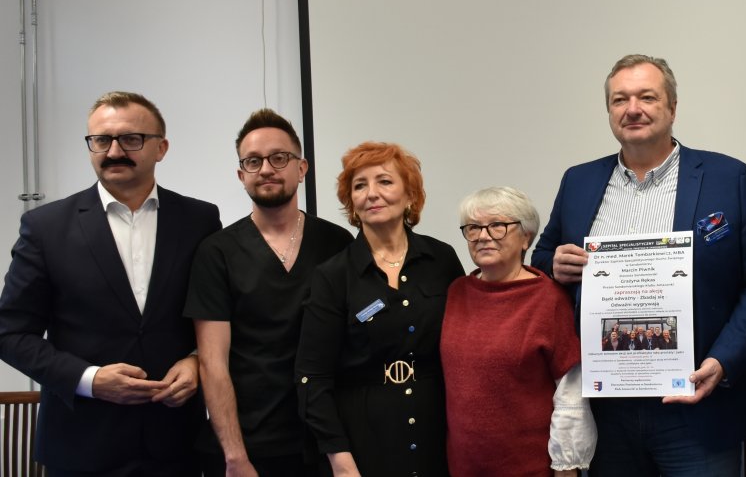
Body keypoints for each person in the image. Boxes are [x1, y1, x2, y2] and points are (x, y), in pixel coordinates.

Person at [533, 54, 746, 476]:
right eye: (619, 99)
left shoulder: (729, 178)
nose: (633, 109)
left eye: (647, 97)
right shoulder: (579, 181)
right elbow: (541, 259)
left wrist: (724, 361)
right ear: (609, 111)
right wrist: (553, 263)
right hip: (607, 411)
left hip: (698, 407)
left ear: (672, 108)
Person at [0, 91, 222, 475]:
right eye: (101, 140)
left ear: (161, 148)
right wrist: (90, 379)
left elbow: (216, 315)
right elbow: (10, 333)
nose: (114, 150)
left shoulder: (199, 220)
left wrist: (196, 362)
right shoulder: (46, 228)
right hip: (81, 446)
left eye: (131, 139)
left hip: (177, 445)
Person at [184, 109, 353, 476]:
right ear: (241, 174)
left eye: (279, 158)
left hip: (324, 442)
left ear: (302, 168)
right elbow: (213, 363)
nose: (266, 169)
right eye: (253, 161)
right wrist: (235, 457)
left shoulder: (337, 243)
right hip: (248, 448)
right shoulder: (217, 252)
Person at [295, 142, 463, 477]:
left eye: (384, 181)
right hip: (364, 442)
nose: (372, 193)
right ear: (352, 203)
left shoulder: (441, 259)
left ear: (410, 195)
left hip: (440, 434)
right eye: (360, 185)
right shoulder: (332, 276)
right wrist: (340, 461)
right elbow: (312, 378)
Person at [441, 186, 596, 476]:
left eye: (497, 226)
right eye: (473, 228)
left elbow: (571, 395)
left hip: (528, 467)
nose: (483, 236)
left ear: (526, 237)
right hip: (463, 465)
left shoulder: (549, 299)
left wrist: (566, 467)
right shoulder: (457, 292)